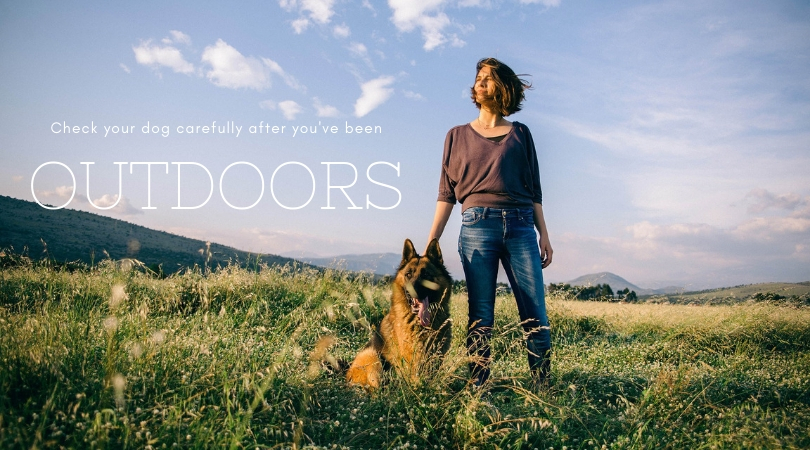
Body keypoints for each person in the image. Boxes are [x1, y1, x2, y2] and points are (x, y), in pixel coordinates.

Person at [426, 57, 553, 390]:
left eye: (488, 78)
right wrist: (432, 240)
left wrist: (545, 235)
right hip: (477, 226)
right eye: (478, 78)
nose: (479, 82)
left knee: (535, 311)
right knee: (481, 314)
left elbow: (534, 188)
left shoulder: (521, 134)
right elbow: (446, 193)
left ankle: (542, 387)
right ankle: (477, 386)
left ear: (503, 87)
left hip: (522, 225)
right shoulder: (455, 136)